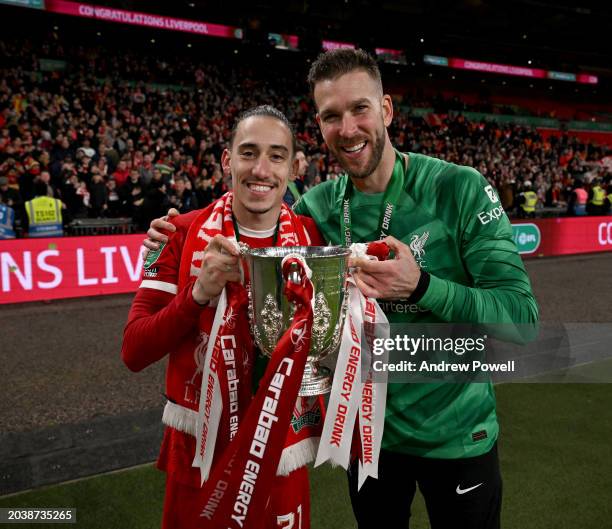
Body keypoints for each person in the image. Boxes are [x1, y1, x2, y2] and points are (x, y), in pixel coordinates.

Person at [147, 50, 538, 529]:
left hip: (457, 438)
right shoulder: (318, 208)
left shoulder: (460, 188)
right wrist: (179, 229)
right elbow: (254, 206)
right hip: (363, 440)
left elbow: (521, 321)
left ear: (387, 110)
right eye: (332, 116)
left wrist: (423, 287)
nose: (348, 128)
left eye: (360, 109)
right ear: (320, 125)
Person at [122, 105, 325, 529]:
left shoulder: (312, 237)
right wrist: (197, 294)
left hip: (280, 451)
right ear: (226, 160)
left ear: (292, 166)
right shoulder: (175, 233)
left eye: (276, 155)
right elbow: (134, 351)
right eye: (248, 152)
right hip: (199, 452)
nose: (261, 169)